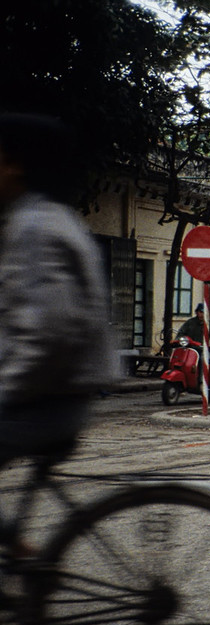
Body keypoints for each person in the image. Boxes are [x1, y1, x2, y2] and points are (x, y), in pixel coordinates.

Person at [0, 113, 115, 554]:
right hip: (62, 390)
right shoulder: (58, 218)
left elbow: (46, 332)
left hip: (48, 397)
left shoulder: (33, 227)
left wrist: (7, 389)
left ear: (17, 165)